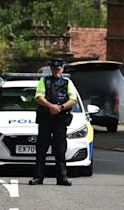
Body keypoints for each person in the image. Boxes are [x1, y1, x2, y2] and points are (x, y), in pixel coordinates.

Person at [29, 58, 78, 186]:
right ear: (50, 69)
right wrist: (51, 106)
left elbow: (73, 99)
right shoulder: (44, 81)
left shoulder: (68, 83)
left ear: (62, 69)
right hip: (45, 119)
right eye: (54, 69)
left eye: (59, 69)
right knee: (41, 150)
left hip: (60, 120)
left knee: (60, 150)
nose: (56, 71)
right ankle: (38, 178)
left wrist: (60, 107)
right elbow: (38, 97)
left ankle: (62, 178)